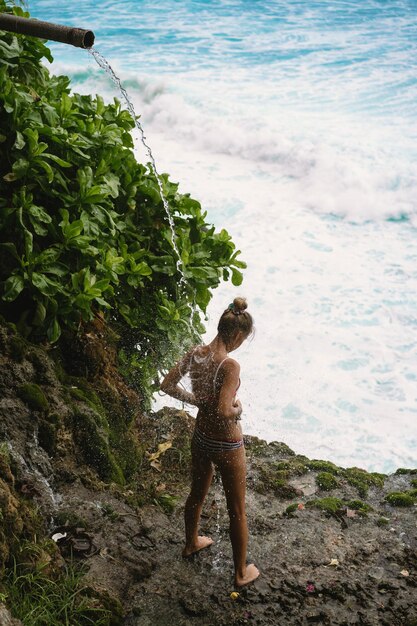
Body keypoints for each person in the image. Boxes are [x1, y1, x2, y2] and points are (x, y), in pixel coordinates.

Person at [160, 297, 260, 587]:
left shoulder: (196, 353)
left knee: (196, 494)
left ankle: (191, 542)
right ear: (238, 336)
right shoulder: (230, 365)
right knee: (237, 510)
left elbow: (166, 385)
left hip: (201, 437)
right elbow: (224, 410)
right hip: (227, 444)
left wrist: (195, 401)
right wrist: (238, 408)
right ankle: (241, 573)